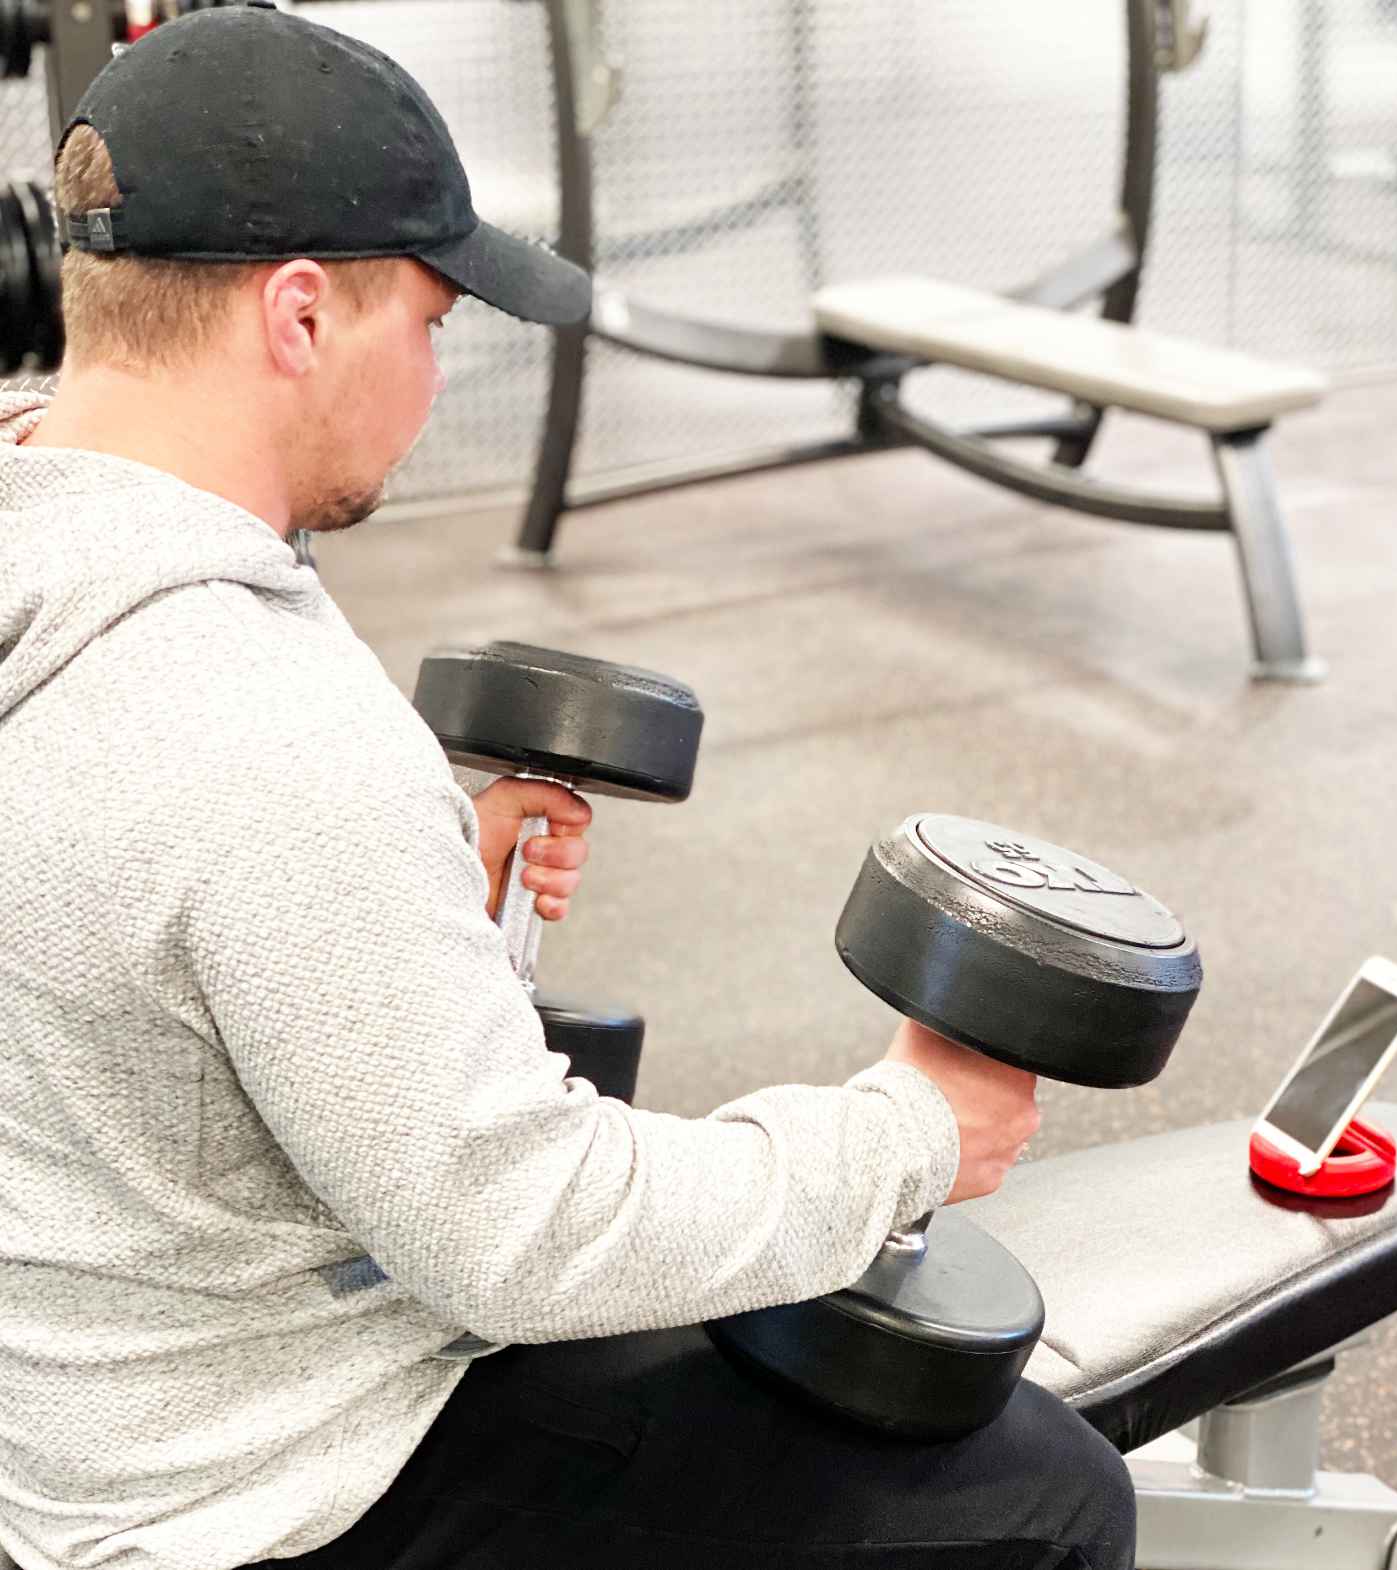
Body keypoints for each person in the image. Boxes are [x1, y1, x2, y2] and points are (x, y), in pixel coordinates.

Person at [0, 6, 1136, 1569]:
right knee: (1041, 1496)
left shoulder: (48, 565)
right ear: (301, 314)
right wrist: (905, 1130)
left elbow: (124, 939)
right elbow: (519, 1232)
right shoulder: (259, 733)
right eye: (433, 322)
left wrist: (402, 908)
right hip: (269, 1491)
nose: (434, 373)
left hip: (84, 1420)